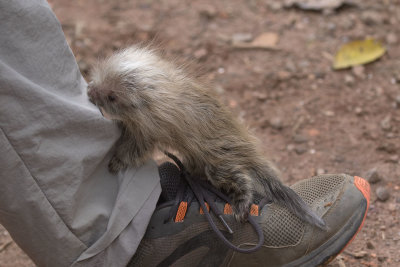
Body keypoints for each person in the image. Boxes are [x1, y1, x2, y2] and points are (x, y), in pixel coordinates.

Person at [0, 1, 370, 266]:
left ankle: (240, 199)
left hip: (211, 148)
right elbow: (137, 140)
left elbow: (139, 145)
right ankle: (117, 239)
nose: (94, 92)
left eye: (110, 96)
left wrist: (124, 155)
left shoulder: (152, 115)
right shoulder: (150, 111)